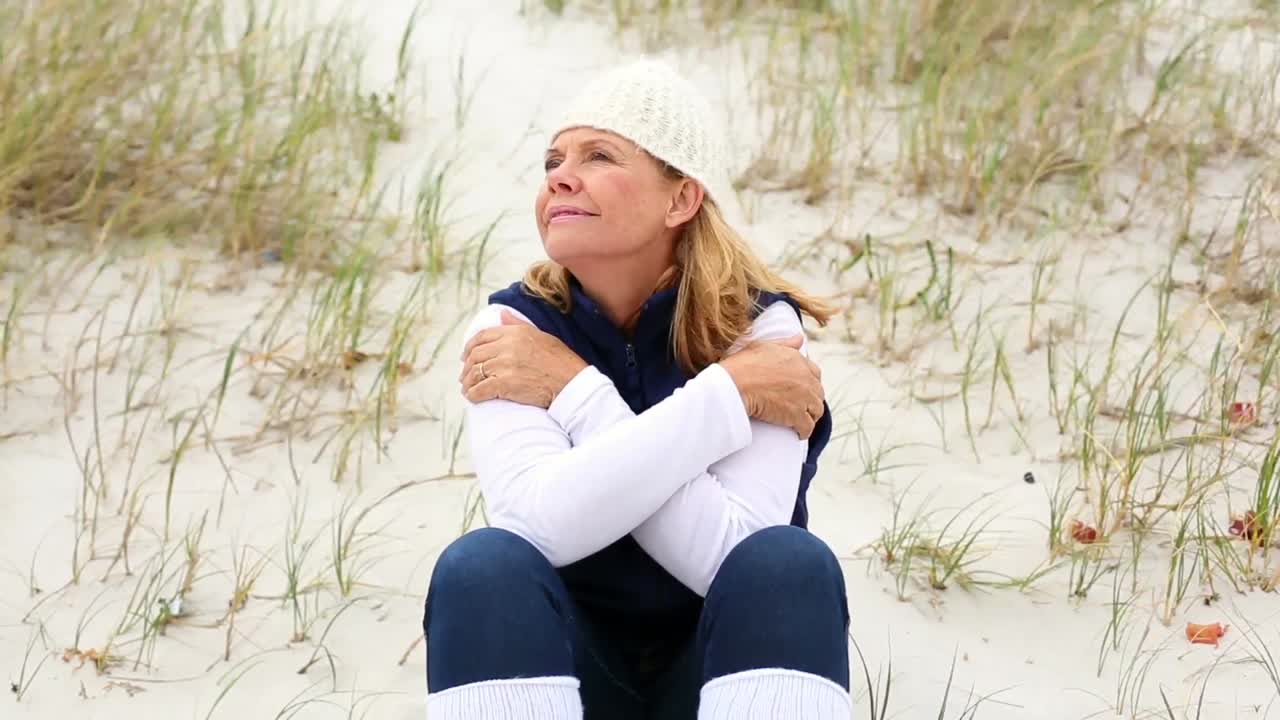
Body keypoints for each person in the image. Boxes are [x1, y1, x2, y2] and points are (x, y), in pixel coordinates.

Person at [422, 58, 851, 720]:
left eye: (600, 156)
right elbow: (541, 523)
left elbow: (731, 556)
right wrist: (725, 400)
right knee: (483, 568)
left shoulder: (756, 329)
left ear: (681, 199)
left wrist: (572, 392)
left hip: (716, 673)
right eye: (553, 160)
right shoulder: (512, 328)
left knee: (787, 567)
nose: (561, 175)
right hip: (566, 670)